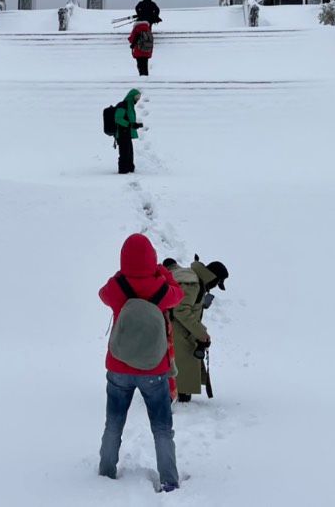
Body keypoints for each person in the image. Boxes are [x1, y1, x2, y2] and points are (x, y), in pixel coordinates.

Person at [98, 234, 185, 492]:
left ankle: (106, 472)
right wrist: (163, 273)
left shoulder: (118, 287)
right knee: (162, 429)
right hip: (154, 369)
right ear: (152, 258)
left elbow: (103, 293)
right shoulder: (161, 289)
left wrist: (122, 274)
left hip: (119, 366)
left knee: (113, 424)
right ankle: (169, 480)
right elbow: (178, 294)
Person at [164, 257, 229, 402]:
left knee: (176, 363)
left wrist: (200, 331)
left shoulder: (191, 276)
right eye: (217, 283)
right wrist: (201, 333)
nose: (214, 287)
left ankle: (177, 393)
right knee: (184, 361)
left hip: (174, 326)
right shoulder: (193, 284)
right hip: (178, 330)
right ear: (214, 278)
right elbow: (181, 310)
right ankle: (180, 397)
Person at [114, 88, 144, 174]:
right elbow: (118, 118)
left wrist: (135, 125)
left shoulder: (130, 106)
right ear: (131, 96)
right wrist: (130, 125)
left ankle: (130, 169)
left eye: (139, 98)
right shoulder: (123, 105)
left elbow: (128, 119)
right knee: (124, 153)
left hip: (127, 133)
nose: (137, 100)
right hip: (122, 133)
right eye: (136, 97)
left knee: (129, 153)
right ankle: (123, 170)